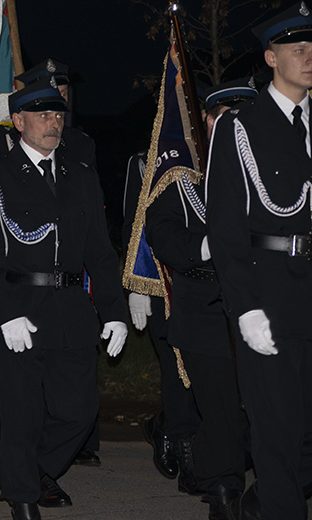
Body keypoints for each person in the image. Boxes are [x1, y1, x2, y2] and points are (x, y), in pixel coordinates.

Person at [0, 78, 128, 520]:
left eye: (57, 115)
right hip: (19, 307)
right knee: (22, 413)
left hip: (71, 308)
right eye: (42, 115)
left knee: (79, 413)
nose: (53, 123)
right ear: (18, 121)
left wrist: (114, 311)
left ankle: (31, 471)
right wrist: (6, 313)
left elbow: (100, 251)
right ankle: (22, 497)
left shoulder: (81, 175)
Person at [206, 4, 312, 518]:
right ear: (271, 58)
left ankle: (265, 502)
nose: (310, 57)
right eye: (299, 49)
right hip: (269, 293)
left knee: (304, 437)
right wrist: (244, 307)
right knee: (278, 430)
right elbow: (225, 229)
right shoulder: (240, 128)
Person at [145, 78, 257, 518]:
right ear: (206, 120)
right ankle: (224, 494)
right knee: (223, 409)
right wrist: (211, 244)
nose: (235, 125)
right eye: (225, 116)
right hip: (205, 309)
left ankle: (209, 462)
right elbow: (162, 232)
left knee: (262, 413)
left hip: (261, 307)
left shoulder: (273, 174)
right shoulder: (182, 176)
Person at [123, 151, 200, 488]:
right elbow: (134, 220)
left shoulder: (216, 153)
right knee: (174, 364)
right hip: (159, 279)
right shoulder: (147, 160)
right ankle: (185, 449)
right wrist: (136, 284)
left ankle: (166, 426)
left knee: (202, 369)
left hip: (207, 276)